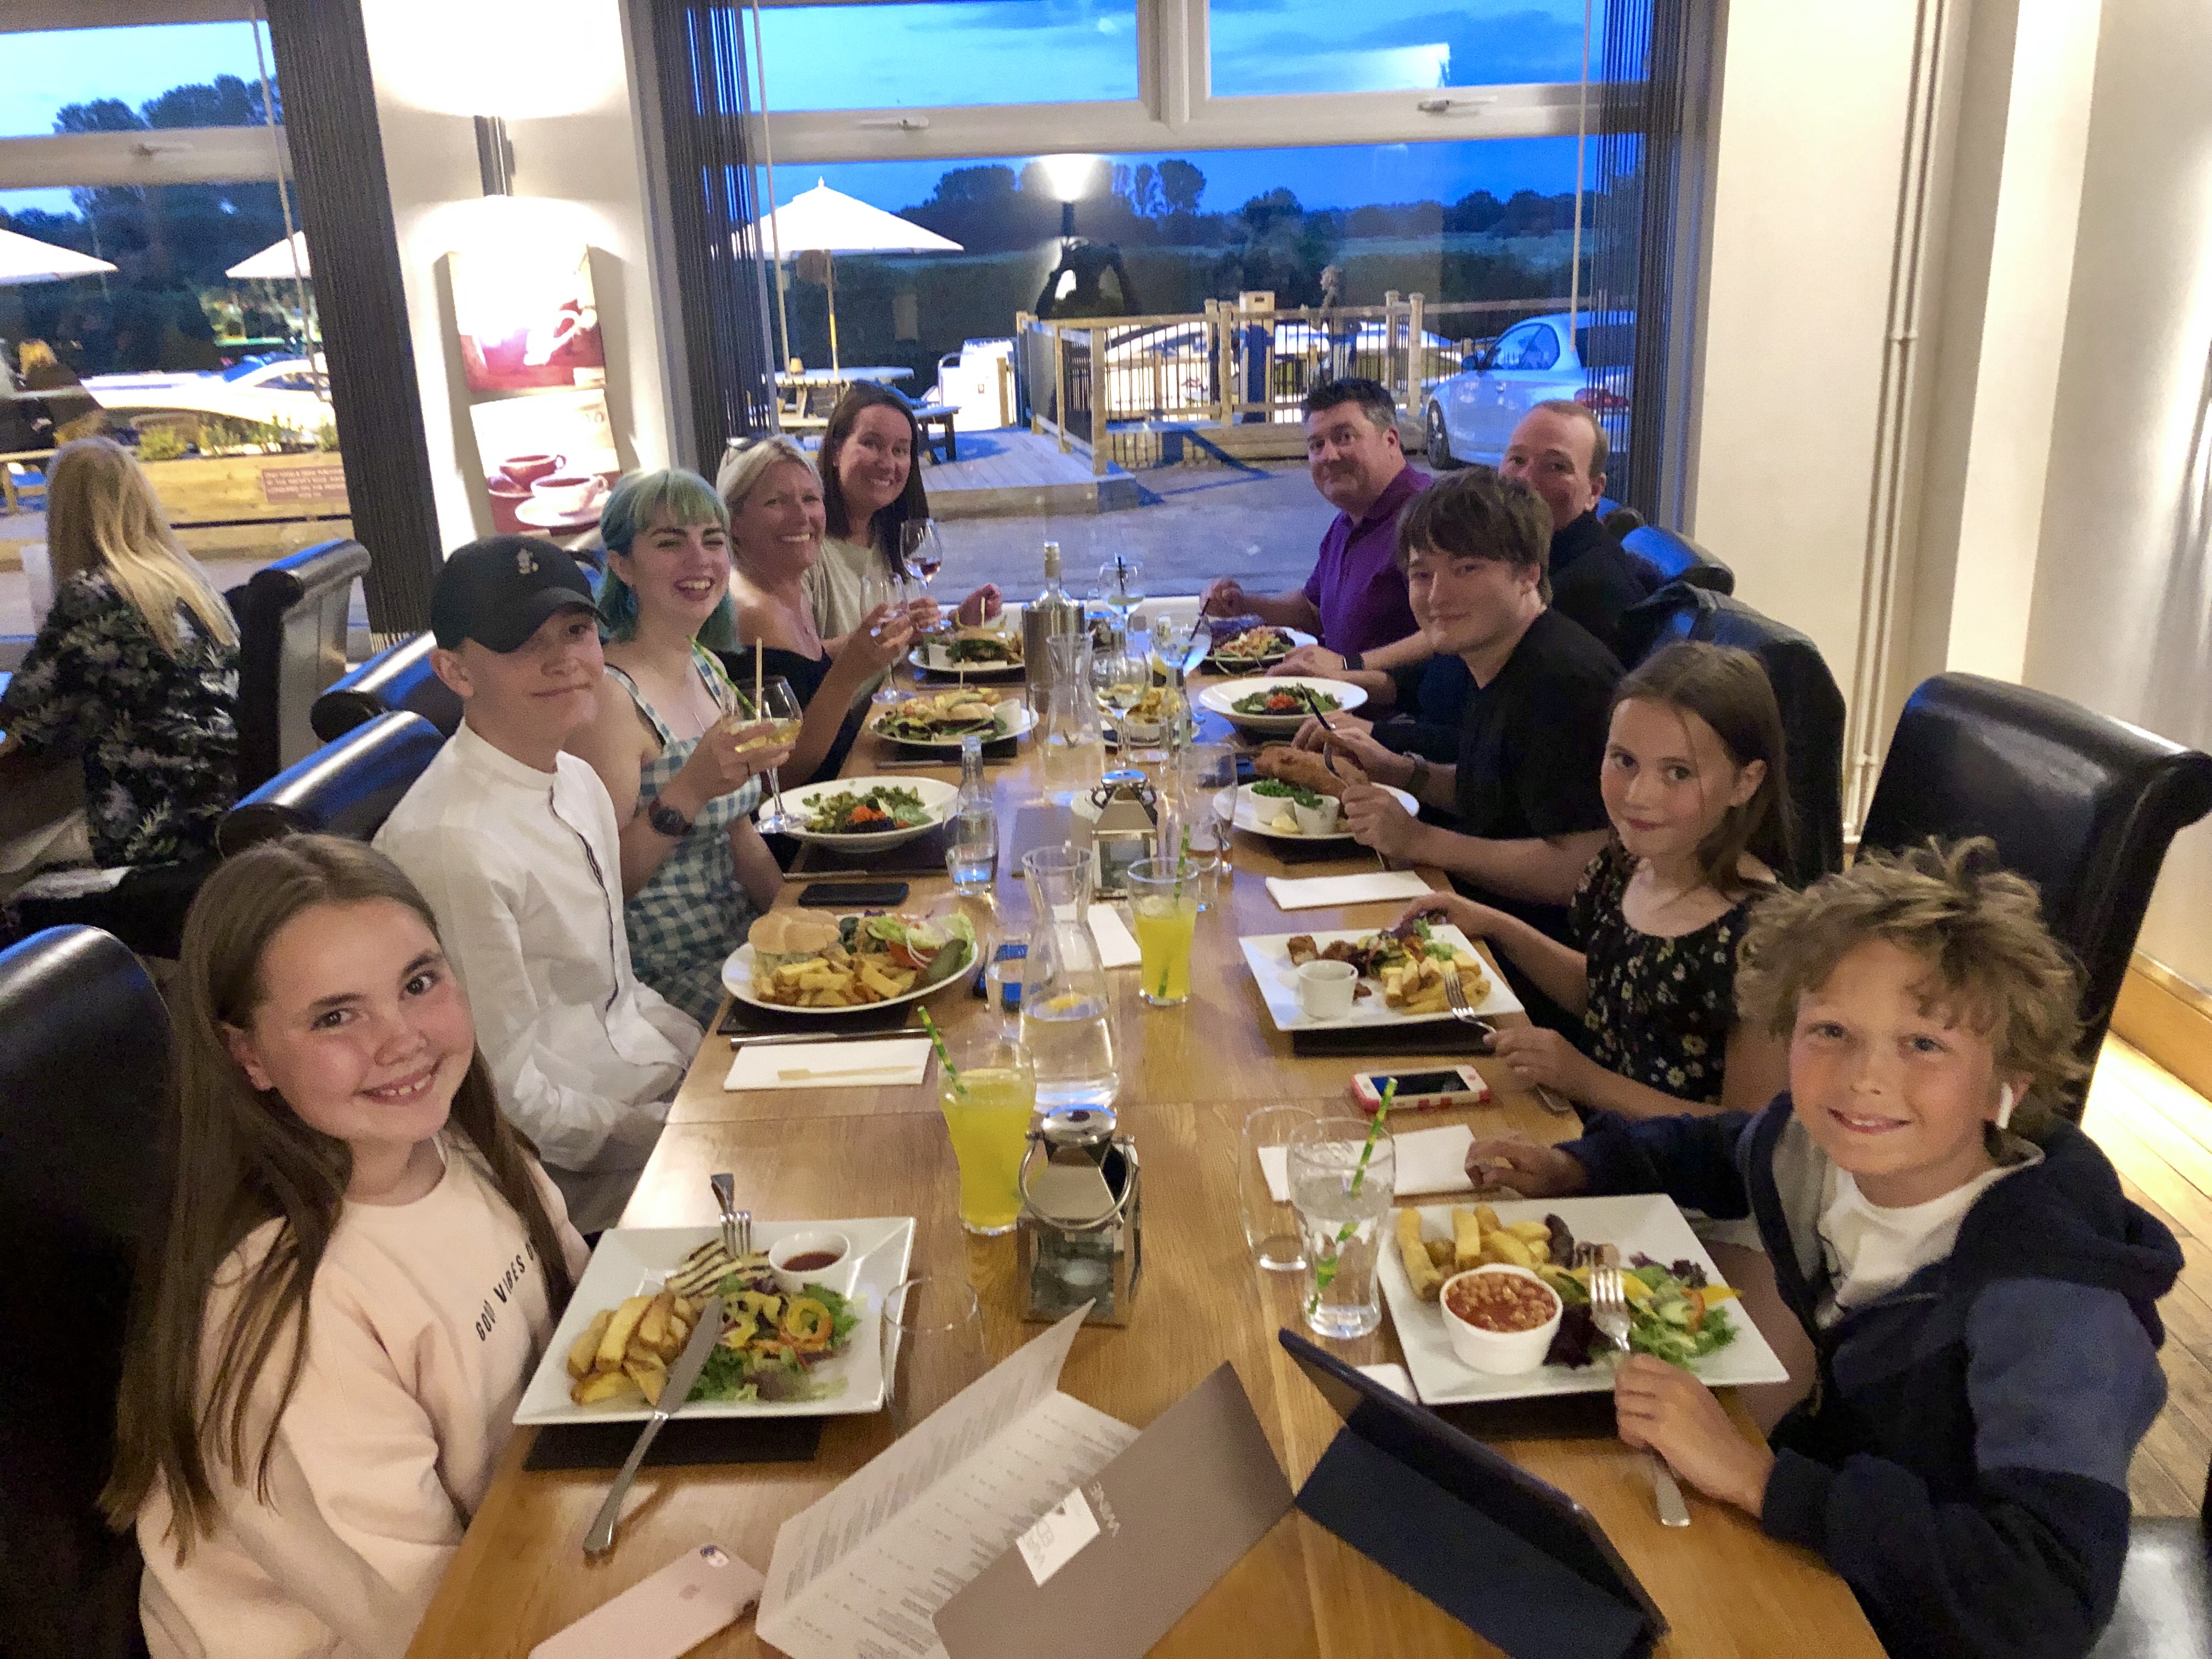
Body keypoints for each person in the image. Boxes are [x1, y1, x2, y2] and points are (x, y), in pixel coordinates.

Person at [1463, 840, 2181, 1659]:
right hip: (1836, 1533)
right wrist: (1578, 1166)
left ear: (2005, 1084)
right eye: (1831, 1030)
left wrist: (1766, 1482)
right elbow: (1720, 1149)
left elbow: (2047, 1597)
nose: (1864, 1077)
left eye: (1924, 1044)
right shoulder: (1814, 1150)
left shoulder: (2055, 1308)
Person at [103, 836, 590, 1659]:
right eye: (337, 1016)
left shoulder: (461, 1148)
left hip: (530, 1541)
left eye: (419, 983)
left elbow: (591, 1333)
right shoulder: (294, 1309)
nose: (401, 1040)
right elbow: (428, 1621)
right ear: (248, 1056)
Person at [374, 535, 701, 1232]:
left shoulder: (574, 776)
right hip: (581, 1184)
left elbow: (618, 992)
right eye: (524, 643)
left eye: (576, 631)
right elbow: (505, 1096)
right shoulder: (454, 845)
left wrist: (710, 1064)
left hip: (652, 1100)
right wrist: (675, 1130)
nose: (564, 661)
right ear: (455, 671)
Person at [1400, 641, 1791, 1119]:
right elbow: (1611, 995)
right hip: (1585, 1136)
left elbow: (1749, 1131)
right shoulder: (1624, 865)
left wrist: (1584, 1080)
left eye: (1678, 773)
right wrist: (1497, 927)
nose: (1639, 795)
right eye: (1624, 760)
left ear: (1746, 782)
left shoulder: (1767, 938)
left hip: (1662, 1166)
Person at [1312, 467, 1620, 953]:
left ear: (1528, 574)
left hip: (1527, 955)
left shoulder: (1563, 681)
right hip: (1473, 913)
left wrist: (1421, 840)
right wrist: (1400, 771)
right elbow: (1500, 794)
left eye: (1466, 569)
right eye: (1422, 574)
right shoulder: (1495, 653)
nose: (1437, 596)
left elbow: (1581, 867)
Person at [565, 469, 794, 1025]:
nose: (700, 560)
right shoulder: (608, 698)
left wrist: (796, 920)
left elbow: (742, 836)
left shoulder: (707, 667)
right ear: (622, 565)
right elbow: (605, 884)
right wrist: (689, 790)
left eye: (713, 540)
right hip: (665, 978)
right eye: (670, 543)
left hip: (742, 948)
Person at [0, 436, 239, 876]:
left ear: (63, 516)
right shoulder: (190, 583)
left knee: (9, 853)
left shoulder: (94, 594)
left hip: (153, 825)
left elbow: (23, 717)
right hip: (214, 804)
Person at [719, 437, 912, 788]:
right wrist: (848, 673)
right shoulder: (752, 615)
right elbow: (778, 776)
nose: (801, 516)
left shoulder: (786, 591)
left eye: (810, 499)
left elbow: (802, 669)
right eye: (776, 502)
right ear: (735, 523)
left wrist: (864, 642)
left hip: (848, 783)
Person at [1201, 377, 1430, 668]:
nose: (1329, 456)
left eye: (1344, 437)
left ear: (1390, 441)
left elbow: (1446, 631)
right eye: (1317, 445)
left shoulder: (1429, 515)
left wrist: (1348, 666)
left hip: (1395, 698)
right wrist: (1242, 605)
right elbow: (1312, 611)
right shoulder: (1347, 522)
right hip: (1337, 691)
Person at [812, 382, 997, 661]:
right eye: (871, 444)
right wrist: (880, 637)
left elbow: (906, 645)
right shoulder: (809, 548)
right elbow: (797, 662)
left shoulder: (894, 538)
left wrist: (958, 620)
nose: (887, 463)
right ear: (836, 451)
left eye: (900, 450)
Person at [1498, 399, 1656, 658]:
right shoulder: (1518, 553)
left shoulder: (1593, 594)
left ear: (1594, 491)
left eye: (1556, 467)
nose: (1525, 479)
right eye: (1517, 459)